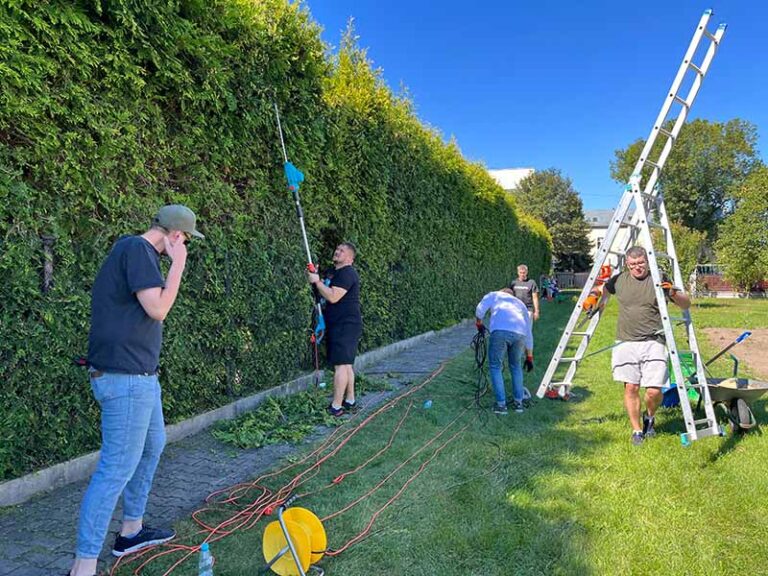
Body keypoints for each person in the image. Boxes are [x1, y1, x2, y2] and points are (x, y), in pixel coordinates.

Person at [69, 205, 203, 576]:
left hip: (141, 377)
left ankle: (131, 531)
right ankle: (83, 565)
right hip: (125, 380)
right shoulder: (138, 250)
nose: (185, 245)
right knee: (115, 469)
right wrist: (178, 265)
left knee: (152, 444)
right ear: (175, 236)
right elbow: (158, 308)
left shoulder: (132, 252)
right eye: (186, 240)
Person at [600, 245, 690, 446]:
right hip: (626, 341)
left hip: (654, 341)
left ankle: (650, 416)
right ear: (627, 264)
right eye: (632, 264)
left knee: (654, 391)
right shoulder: (619, 280)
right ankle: (637, 430)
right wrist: (597, 304)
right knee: (631, 387)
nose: (637, 267)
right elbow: (604, 292)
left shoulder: (659, 277)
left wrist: (673, 294)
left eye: (640, 263)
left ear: (647, 262)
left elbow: (686, 304)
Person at [307, 242, 362, 417]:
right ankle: (350, 401)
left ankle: (336, 407)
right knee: (346, 365)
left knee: (340, 366)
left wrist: (317, 282)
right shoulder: (334, 272)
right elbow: (324, 287)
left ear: (350, 258)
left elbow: (333, 296)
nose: (337, 252)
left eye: (342, 251)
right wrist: (316, 278)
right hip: (340, 324)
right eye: (337, 249)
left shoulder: (347, 273)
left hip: (346, 324)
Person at [475, 287, 534, 414]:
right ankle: (518, 403)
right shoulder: (521, 304)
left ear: (502, 292)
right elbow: (529, 331)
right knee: (516, 366)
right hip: (520, 335)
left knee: (495, 366)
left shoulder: (495, 295)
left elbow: (480, 309)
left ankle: (501, 405)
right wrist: (529, 356)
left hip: (500, 332)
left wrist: (479, 323)